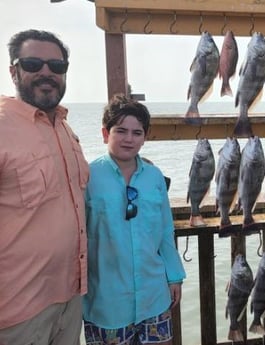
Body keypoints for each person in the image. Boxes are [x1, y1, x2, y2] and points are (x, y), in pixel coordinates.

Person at [0, 30, 89, 345]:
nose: (46, 73)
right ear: (14, 70)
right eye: (33, 63)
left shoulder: (66, 130)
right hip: (17, 315)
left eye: (57, 66)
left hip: (70, 300)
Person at [83, 94, 186, 345]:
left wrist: (174, 276)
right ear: (105, 133)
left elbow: (165, 230)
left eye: (137, 132)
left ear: (145, 137)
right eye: (121, 131)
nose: (129, 139)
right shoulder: (87, 176)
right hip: (107, 303)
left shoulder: (154, 176)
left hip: (154, 297)